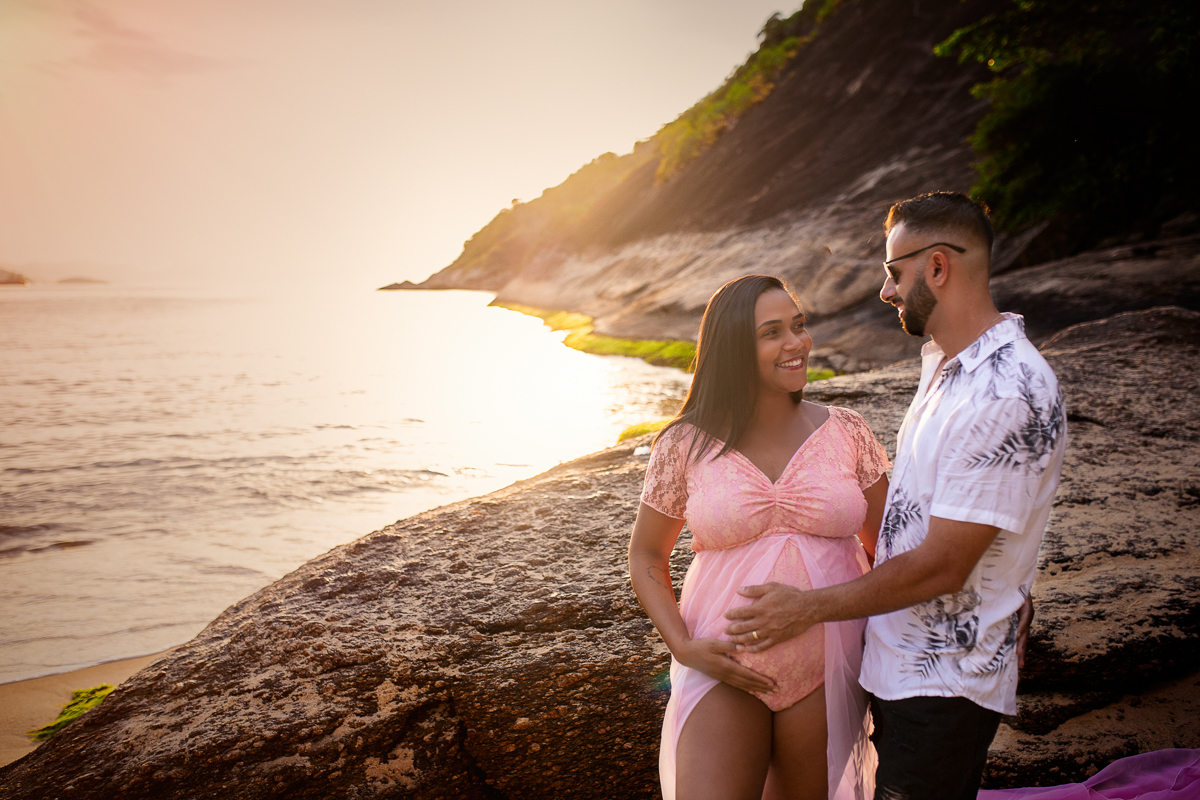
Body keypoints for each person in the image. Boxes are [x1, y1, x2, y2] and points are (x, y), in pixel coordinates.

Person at [725, 192, 1067, 799]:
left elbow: (944, 564)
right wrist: (1014, 586)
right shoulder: (948, 366)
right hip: (900, 666)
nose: (885, 291)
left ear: (937, 266)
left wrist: (806, 608)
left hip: (945, 682)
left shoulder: (1005, 391)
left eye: (894, 272)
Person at [628, 274, 891, 800]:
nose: (796, 343)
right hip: (722, 663)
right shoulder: (684, 443)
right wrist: (682, 646)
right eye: (772, 332)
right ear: (733, 348)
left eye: (798, 325)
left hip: (827, 666)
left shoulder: (847, 432)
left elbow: (891, 549)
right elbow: (646, 554)